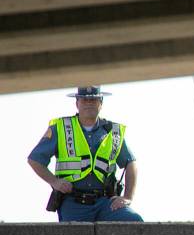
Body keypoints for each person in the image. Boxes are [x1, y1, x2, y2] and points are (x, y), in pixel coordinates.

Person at [27, 86, 143, 222]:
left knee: (134, 221)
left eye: (93, 100)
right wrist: (54, 182)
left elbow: (131, 162)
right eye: (84, 100)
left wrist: (127, 197)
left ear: (101, 103)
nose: (89, 103)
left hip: (106, 203)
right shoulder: (61, 128)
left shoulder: (113, 132)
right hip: (73, 203)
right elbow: (35, 159)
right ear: (77, 103)